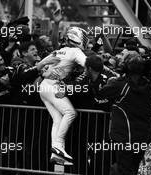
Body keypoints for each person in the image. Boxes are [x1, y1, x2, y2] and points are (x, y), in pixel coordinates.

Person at [93, 53, 151, 175]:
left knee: (123, 170)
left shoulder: (120, 84)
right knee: (133, 169)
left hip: (125, 137)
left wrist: (100, 81)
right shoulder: (149, 86)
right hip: (142, 135)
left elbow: (99, 95)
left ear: (126, 67)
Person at [36, 26, 89, 165]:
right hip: (53, 86)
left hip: (43, 86)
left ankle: (57, 154)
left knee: (58, 119)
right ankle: (58, 146)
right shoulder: (76, 51)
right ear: (79, 38)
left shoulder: (60, 50)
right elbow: (89, 64)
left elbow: (41, 65)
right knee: (71, 113)